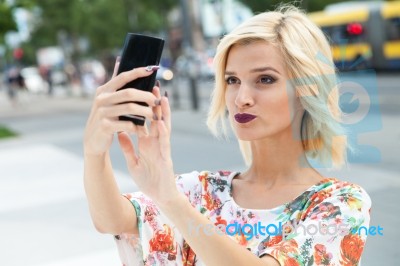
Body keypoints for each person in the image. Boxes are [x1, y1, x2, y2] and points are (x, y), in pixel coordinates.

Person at [83, 5, 371, 266]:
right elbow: (110, 219)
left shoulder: (340, 204)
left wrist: (171, 201)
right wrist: (94, 151)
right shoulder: (202, 192)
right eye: (232, 80)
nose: (241, 98)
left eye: (265, 79)